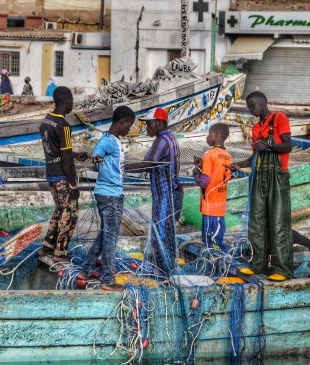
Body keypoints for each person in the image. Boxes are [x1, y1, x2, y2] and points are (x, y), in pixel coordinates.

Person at [229, 91, 293, 281]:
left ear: (263, 102)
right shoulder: (256, 128)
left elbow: (288, 146)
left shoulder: (279, 118)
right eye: (248, 107)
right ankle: (258, 265)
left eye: (252, 105)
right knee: (256, 223)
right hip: (259, 177)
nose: (250, 110)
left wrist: (270, 146)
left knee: (278, 222)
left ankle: (282, 269)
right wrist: (239, 164)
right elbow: (255, 157)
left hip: (277, 177)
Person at [78, 106, 136, 291]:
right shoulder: (108, 141)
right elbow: (96, 153)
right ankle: (108, 280)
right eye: (130, 125)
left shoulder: (114, 140)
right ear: (122, 122)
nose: (130, 129)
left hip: (109, 193)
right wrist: (99, 162)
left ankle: (86, 270)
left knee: (105, 234)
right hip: (110, 195)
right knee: (111, 237)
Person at [126, 107, 183, 275]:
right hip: (167, 194)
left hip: (167, 195)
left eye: (149, 124)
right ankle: (167, 269)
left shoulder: (162, 141)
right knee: (165, 234)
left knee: (162, 235)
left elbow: (148, 163)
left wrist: (121, 167)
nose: (147, 128)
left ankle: (164, 272)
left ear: (158, 123)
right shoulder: (169, 138)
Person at [38, 86, 88, 264]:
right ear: (67, 102)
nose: (72, 106)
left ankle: (47, 247)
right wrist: (73, 185)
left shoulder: (46, 121)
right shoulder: (63, 126)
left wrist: (74, 154)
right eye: (71, 102)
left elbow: (55, 150)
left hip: (51, 174)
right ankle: (61, 253)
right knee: (70, 213)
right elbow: (65, 159)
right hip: (62, 176)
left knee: (59, 211)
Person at [193, 123, 232, 252]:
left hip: (210, 206)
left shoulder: (209, 155)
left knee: (210, 242)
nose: (207, 138)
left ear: (216, 135)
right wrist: (201, 166)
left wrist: (196, 173)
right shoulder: (228, 156)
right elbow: (219, 174)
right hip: (220, 206)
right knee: (217, 239)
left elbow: (204, 181)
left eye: (209, 134)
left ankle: (222, 266)